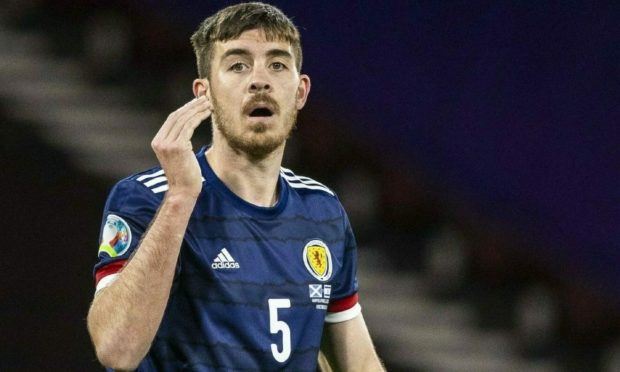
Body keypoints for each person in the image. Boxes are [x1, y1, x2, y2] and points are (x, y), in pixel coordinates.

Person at [86, 2, 384, 371]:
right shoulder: (147, 198)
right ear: (204, 94)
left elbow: (359, 362)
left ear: (300, 92)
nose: (260, 80)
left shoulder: (322, 210)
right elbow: (117, 350)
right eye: (238, 65)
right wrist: (180, 197)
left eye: (277, 64)